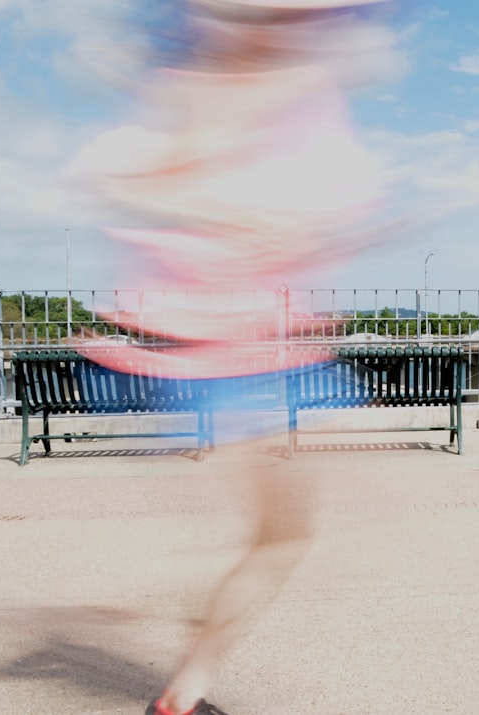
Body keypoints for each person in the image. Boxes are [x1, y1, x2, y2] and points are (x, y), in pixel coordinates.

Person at [77, 2, 404, 712]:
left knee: (283, 534)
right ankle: (185, 682)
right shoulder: (222, 89)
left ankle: (187, 678)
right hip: (222, 353)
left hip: (238, 348)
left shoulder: (261, 87)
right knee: (283, 535)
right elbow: (142, 185)